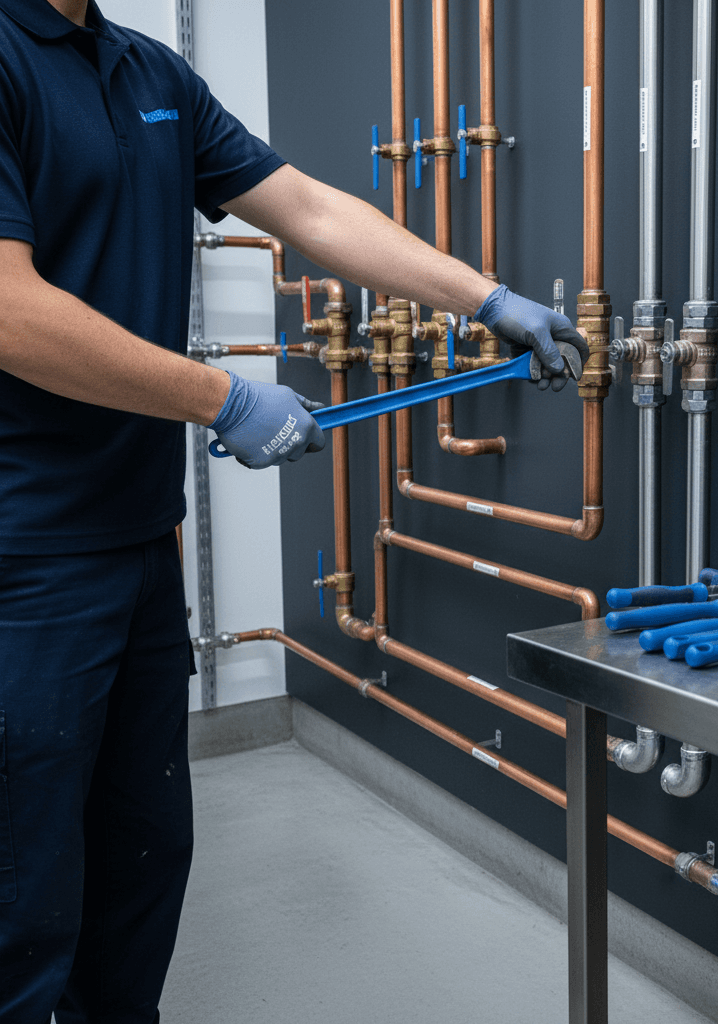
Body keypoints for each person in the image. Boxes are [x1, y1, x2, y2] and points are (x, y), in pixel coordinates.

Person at [0, 0, 589, 1020]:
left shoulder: (146, 70)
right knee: (22, 891)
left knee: (139, 862)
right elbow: (8, 310)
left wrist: (485, 299)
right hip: (23, 558)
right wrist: (220, 396)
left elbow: (307, 210)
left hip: (137, 538)